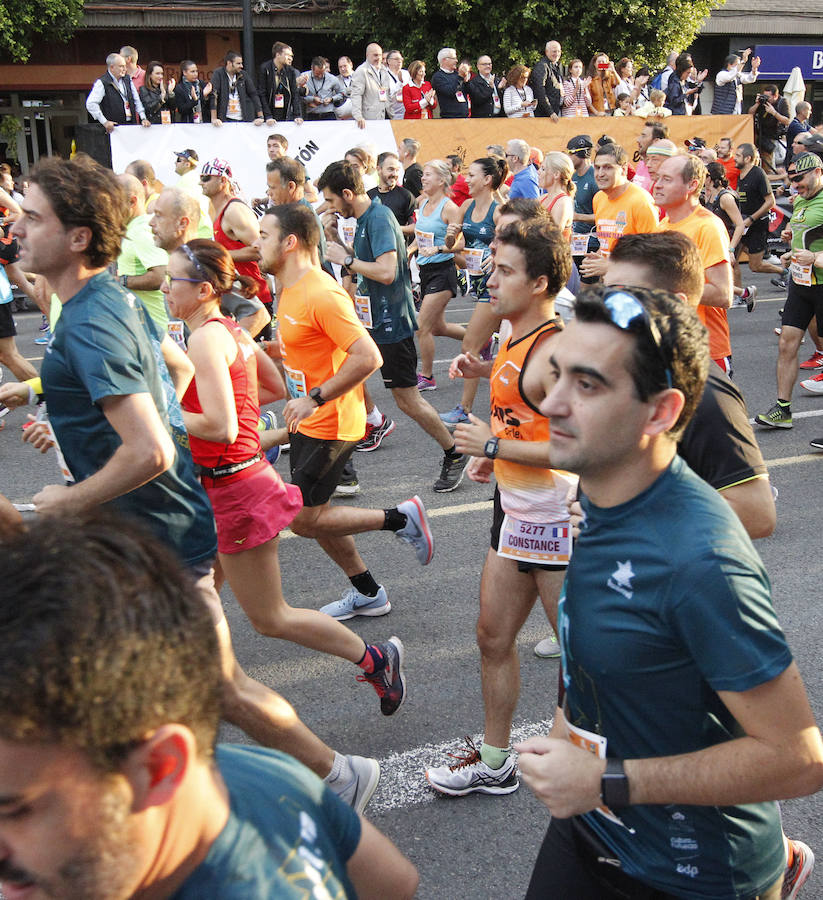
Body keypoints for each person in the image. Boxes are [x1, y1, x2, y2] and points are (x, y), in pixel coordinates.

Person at [3, 155, 380, 814]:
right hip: (140, 531)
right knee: (188, 683)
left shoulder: (91, 317)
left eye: (33, 217)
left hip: (157, 538)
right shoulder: (100, 302)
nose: (17, 228)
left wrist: (67, 499)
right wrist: (55, 418)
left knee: (215, 683)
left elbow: (147, 448)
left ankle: (317, 781)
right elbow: (157, 389)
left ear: (78, 236)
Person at [518, 283, 823, 900]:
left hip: (693, 875)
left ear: (659, 413)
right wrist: (566, 737)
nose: (550, 403)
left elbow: (798, 759)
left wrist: (607, 780)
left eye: (588, 384)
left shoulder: (699, 560)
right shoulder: (603, 494)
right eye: (557, 373)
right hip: (593, 832)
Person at [0, 515, 420, 899]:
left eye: (15, 810)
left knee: (264, 628)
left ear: (159, 769)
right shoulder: (264, 769)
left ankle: (374, 660)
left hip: (230, 511)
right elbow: (395, 881)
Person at [164, 236, 409, 714]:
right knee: (199, 590)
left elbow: (219, 425)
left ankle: (376, 658)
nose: (165, 286)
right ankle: (189, 685)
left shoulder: (206, 337)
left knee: (270, 617)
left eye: (173, 279)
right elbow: (274, 385)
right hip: (227, 481)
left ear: (203, 289)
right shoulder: (230, 330)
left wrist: (162, 411)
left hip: (234, 487)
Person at [425, 219, 576, 796]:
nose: (491, 278)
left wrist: (491, 445)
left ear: (539, 282)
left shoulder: (555, 348)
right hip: (515, 512)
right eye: (493, 266)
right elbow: (526, 402)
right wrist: (487, 374)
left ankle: (635, 785)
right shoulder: (513, 335)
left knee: (586, 662)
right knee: (492, 636)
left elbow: (579, 446)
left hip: (562, 523)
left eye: (505, 271)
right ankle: (495, 761)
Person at [254, 201, 438, 628]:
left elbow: (367, 356)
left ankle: (399, 517)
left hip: (330, 420)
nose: (254, 243)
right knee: (318, 514)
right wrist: (264, 352)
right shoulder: (288, 287)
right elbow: (308, 348)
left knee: (303, 519)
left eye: (263, 235)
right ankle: (368, 593)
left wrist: (314, 398)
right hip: (310, 419)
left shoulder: (320, 292)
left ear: (290, 242)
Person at [605, 231, 775, 539]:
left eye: (624, 295)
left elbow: (757, 513)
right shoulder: (628, 369)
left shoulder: (703, 393)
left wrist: (626, 518)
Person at [317, 160, 471, 493]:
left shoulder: (378, 218)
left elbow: (386, 272)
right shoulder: (362, 218)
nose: (327, 207)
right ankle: (350, 457)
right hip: (374, 319)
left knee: (407, 400)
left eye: (330, 201)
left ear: (347, 194)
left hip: (392, 322)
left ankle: (453, 452)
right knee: (345, 378)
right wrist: (336, 241)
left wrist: (344, 260)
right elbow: (365, 263)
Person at [756, 152, 823, 435]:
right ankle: (782, 409)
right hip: (801, 284)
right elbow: (806, 237)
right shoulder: (802, 201)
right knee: (787, 343)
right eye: (792, 179)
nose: (795, 185)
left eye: (800, 178)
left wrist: (817, 259)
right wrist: (791, 252)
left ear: (818, 171)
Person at [439, 156, 507, 427]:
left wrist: (498, 253)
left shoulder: (499, 211)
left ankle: (465, 411)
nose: (465, 179)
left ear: (487, 180)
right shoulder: (465, 206)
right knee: (492, 345)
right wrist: (451, 233)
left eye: (471, 175)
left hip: (494, 284)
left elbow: (513, 241)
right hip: (475, 279)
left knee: (470, 345)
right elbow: (452, 246)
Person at [151, 186, 269, 338]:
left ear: (182, 223)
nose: (151, 222)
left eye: (158, 216)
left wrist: (226, 350)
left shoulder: (204, 262)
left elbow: (257, 314)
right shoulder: (177, 262)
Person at [653, 153, 734, 375]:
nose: (657, 185)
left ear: (692, 185)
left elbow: (723, 294)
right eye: (658, 178)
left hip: (704, 352)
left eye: (666, 180)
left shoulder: (707, 226)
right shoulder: (661, 226)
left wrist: (664, 288)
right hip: (669, 347)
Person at [199, 157, 273, 338]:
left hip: (253, 299)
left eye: (206, 178)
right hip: (237, 297)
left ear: (223, 180)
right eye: (201, 177)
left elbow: (261, 249)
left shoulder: (234, 211)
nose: (200, 182)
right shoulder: (218, 208)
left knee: (253, 361)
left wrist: (219, 255)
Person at [412, 159, 464, 392]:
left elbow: (460, 242)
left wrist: (440, 248)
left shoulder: (449, 207)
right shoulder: (422, 203)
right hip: (425, 271)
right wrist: (410, 251)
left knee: (422, 326)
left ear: (442, 180)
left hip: (443, 271)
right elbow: (420, 235)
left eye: (428, 175)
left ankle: (427, 376)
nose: (423, 178)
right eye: (423, 175)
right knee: (438, 327)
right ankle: (483, 340)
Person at [580, 142, 658, 280]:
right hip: (610, 284)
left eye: (608, 168)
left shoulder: (641, 202)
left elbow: (653, 256)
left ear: (623, 170)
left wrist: (610, 266)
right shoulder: (598, 198)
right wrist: (598, 257)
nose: (600, 174)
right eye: (597, 168)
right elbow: (608, 241)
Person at [116, 173, 169, 331]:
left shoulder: (141, 232)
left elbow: (160, 276)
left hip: (156, 332)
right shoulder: (133, 230)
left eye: (114, 202)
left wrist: (120, 281)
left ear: (132, 201)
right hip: (144, 329)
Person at [705, 161, 757, 310]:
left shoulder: (725, 198)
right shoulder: (709, 196)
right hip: (717, 239)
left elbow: (740, 224)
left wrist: (731, 248)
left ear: (710, 178)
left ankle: (742, 295)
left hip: (728, 240)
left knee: (717, 275)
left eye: (704, 176)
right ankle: (744, 294)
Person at [734, 142, 783, 278]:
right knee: (732, 261)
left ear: (747, 158)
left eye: (738, 155)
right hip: (743, 225)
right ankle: (740, 296)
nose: (734, 158)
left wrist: (751, 219)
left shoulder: (758, 174)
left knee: (755, 266)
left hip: (757, 225)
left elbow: (770, 201)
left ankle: (784, 272)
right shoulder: (741, 176)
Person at [86, 52, 151, 133]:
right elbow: (91, 104)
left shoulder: (127, 80)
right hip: (113, 129)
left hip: (130, 125)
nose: (125, 69)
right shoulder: (103, 82)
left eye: (125, 66)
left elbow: (136, 100)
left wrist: (143, 118)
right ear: (112, 67)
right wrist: (104, 121)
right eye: (121, 66)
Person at [210, 50, 264, 126]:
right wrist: (214, 118)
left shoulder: (243, 75)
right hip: (224, 120)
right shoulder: (218, 74)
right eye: (238, 63)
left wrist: (260, 116)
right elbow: (214, 95)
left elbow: (253, 94)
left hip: (242, 118)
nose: (241, 66)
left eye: (241, 63)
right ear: (229, 63)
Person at [259, 42, 304, 124]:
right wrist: (268, 116)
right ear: (278, 54)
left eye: (291, 56)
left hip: (285, 112)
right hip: (270, 112)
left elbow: (294, 94)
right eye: (287, 55)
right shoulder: (265, 68)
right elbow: (262, 94)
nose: (290, 58)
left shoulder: (291, 71)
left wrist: (297, 115)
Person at [749, 83, 790, 173]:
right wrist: (757, 104)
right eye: (764, 96)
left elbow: (787, 120)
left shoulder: (782, 102)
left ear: (775, 96)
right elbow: (750, 114)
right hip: (760, 133)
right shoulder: (763, 102)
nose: (766, 99)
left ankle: (770, 176)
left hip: (772, 135)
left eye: (768, 97)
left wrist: (774, 113)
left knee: (768, 162)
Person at [351, 42, 392, 128]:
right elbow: (356, 95)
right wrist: (358, 116)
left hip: (386, 115)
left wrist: (392, 113)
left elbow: (387, 93)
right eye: (375, 55)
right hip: (369, 118)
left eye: (380, 55)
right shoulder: (361, 71)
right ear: (367, 55)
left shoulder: (384, 70)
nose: (379, 58)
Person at [711, 49, 759, 115]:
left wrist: (754, 69)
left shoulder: (737, 75)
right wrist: (744, 60)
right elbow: (730, 76)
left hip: (736, 111)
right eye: (737, 64)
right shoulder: (721, 74)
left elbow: (749, 79)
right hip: (722, 112)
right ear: (729, 65)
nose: (740, 67)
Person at [539, 152, 575, 238]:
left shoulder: (562, 203)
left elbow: (552, 239)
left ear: (556, 174)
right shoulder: (542, 198)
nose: (538, 172)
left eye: (543, 169)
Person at [303, 55, 345, 121]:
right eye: (317, 73)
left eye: (322, 73)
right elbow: (298, 96)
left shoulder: (332, 78)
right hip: (311, 115)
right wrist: (312, 99)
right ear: (312, 68)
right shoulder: (304, 77)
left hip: (328, 114)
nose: (320, 76)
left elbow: (342, 93)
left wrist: (332, 99)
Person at [431, 47, 469, 119]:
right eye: (454, 58)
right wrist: (460, 77)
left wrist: (466, 81)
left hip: (464, 117)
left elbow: (468, 92)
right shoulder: (438, 77)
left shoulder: (457, 74)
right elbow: (451, 92)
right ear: (445, 60)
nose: (456, 61)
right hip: (449, 118)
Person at [531, 40, 563, 119]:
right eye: (554, 51)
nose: (557, 54)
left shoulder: (554, 66)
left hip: (555, 113)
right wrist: (550, 112)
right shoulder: (542, 66)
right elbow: (540, 90)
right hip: (545, 115)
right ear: (546, 52)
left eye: (559, 51)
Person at [174, 60, 212, 124]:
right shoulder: (179, 88)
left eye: (196, 71)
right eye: (192, 72)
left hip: (204, 121)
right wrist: (194, 100)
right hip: (188, 123)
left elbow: (209, 104)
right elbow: (181, 109)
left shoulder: (201, 84)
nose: (195, 74)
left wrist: (206, 96)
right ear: (184, 72)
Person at [385, 49, 411, 119]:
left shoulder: (406, 73)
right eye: (396, 59)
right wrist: (399, 83)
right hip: (391, 114)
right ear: (389, 61)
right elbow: (386, 94)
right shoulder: (384, 75)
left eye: (401, 59)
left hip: (406, 113)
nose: (399, 61)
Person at [785, 101, 812, 169]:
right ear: (803, 111)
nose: (810, 112)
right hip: (793, 159)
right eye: (809, 110)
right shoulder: (795, 125)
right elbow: (808, 136)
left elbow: (815, 132)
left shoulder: (803, 123)